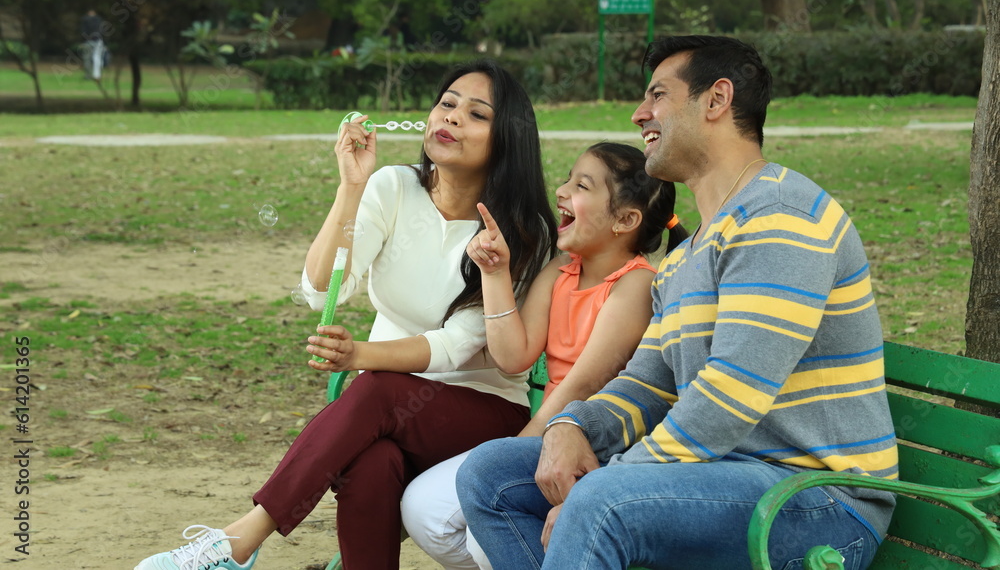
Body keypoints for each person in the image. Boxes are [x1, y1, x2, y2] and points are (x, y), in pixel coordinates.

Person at [456, 35, 899, 570]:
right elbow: (648, 383)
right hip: (721, 476)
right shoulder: (688, 253)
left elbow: (729, 394)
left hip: (816, 498)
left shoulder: (780, 219)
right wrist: (571, 427)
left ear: (716, 100)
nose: (640, 113)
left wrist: (614, 479)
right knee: (491, 476)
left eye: (658, 96)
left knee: (601, 503)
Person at [134, 59, 557, 570]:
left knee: (376, 386)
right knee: (372, 460)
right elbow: (318, 289)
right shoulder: (393, 188)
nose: (451, 118)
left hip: (480, 411)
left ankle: (242, 538)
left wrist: (360, 353)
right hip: (382, 411)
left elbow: (456, 346)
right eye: (446, 103)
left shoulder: (523, 230)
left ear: (506, 137)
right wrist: (351, 188)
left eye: (475, 114)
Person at [400, 142, 689, 569]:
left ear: (626, 220)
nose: (561, 190)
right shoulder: (560, 269)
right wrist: (495, 273)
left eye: (581, 185)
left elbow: (584, 383)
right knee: (422, 508)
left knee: (485, 530)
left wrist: (514, 451)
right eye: (568, 178)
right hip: (546, 433)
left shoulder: (635, 285)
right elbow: (512, 356)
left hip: (595, 444)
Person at [80, 9, 106, 80]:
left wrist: (83, 41)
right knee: (97, 58)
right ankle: (97, 75)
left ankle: (88, 75)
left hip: (88, 41)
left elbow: (83, 31)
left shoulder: (85, 20)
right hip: (98, 41)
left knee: (87, 59)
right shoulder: (99, 20)